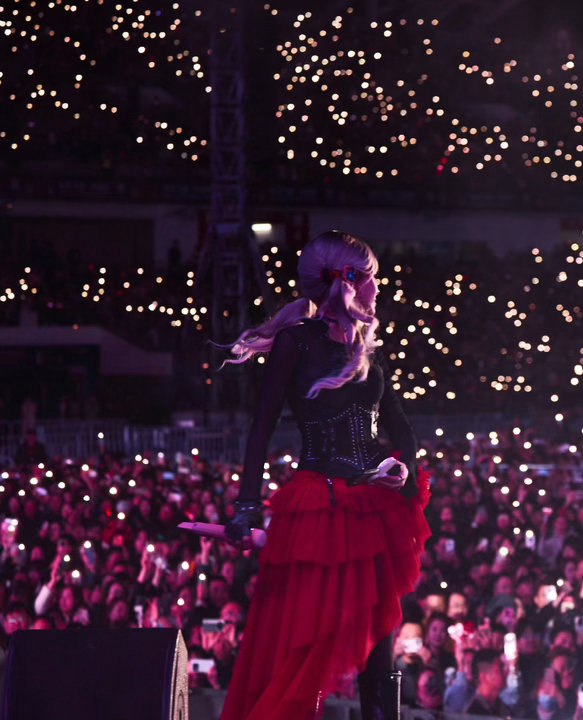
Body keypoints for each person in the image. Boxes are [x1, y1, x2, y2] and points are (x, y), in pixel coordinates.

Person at [218, 231, 431, 720]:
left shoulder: (369, 344)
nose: (379, 288)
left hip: (372, 508)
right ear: (348, 284)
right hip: (319, 511)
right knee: (304, 653)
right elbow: (261, 428)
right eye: (373, 278)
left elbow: (399, 424)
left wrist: (404, 467)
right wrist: (245, 507)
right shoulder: (295, 343)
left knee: (379, 648)